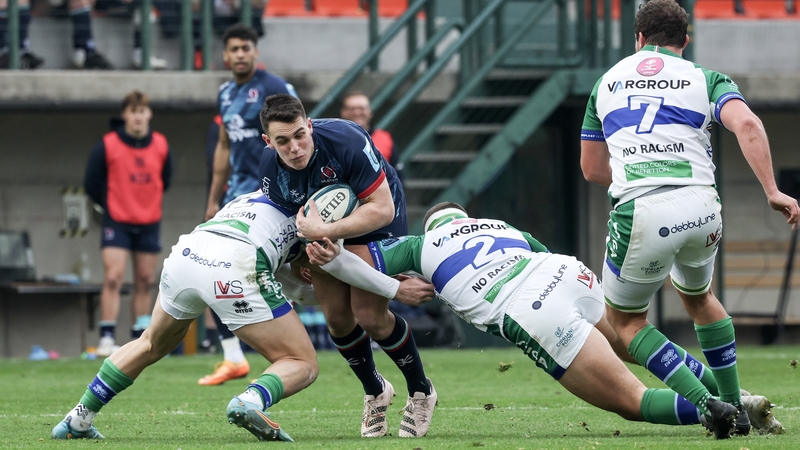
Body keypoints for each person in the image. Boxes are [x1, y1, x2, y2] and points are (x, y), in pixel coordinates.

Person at [305, 202, 784, 437]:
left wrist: (325, 250)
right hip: (566, 272)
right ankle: (738, 396)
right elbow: (540, 252)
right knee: (630, 338)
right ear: (465, 217)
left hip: (530, 307)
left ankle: (714, 411)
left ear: (433, 226)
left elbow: (352, 264)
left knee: (630, 400)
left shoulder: (419, 244)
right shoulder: (502, 226)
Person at [579, 0, 800, 439]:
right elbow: (748, 125)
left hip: (641, 209)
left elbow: (591, 169)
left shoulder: (605, 83)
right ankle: (737, 407)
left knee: (626, 323)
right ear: (686, 39)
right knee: (701, 298)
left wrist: (636, 171)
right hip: (702, 205)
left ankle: (708, 404)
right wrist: (773, 191)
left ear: (639, 38)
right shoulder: (705, 78)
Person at [51, 190, 434, 441]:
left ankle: (78, 417)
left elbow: (287, 268)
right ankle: (251, 400)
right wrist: (388, 285)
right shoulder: (319, 211)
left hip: (187, 253)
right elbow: (316, 284)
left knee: (150, 342)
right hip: (235, 263)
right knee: (302, 362)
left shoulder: (250, 195)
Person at [258, 93, 437, 438]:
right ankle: (376, 391)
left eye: (299, 135)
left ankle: (421, 390)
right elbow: (290, 223)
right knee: (338, 319)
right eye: (282, 141)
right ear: (268, 142)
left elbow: (382, 208)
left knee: (368, 315)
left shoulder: (346, 139)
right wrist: (301, 255)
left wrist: (326, 233)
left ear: (309, 125)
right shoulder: (270, 170)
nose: (294, 148)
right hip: (322, 231)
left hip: (378, 217)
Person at [200, 23, 297, 386]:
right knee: (211, 265)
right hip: (236, 196)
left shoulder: (275, 87)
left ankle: (296, 348)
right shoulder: (225, 93)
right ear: (225, 56)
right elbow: (224, 146)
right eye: (234, 49)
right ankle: (233, 357)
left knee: (290, 273)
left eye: (245, 48)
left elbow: (300, 136)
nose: (240, 54)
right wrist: (213, 199)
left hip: (272, 195)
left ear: (255, 51)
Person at [84, 90, 173, 357]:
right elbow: (91, 182)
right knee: (113, 277)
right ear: (124, 115)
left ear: (149, 114)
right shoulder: (108, 144)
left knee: (145, 280)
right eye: (133, 111)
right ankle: (107, 337)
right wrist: (113, 203)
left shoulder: (160, 144)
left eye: (142, 111)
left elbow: (165, 180)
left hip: (149, 220)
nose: (137, 117)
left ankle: (139, 337)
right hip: (118, 221)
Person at [339, 91, 399, 172]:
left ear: (370, 111)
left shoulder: (385, 138)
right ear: (343, 112)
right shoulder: (334, 138)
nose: (357, 113)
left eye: (361, 108)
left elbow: (396, 172)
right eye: (352, 109)